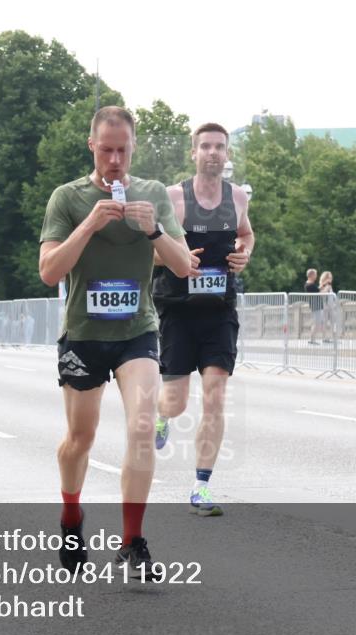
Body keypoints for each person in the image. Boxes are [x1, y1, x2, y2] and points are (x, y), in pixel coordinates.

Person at [38, 106, 190, 576]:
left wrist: (154, 230)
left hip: (135, 332)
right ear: (92, 147)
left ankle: (132, 541)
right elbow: (49, 272)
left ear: (133, 148)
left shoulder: (152, 196)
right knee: (80, 439)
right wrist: (90, 224)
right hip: (84, 334)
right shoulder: (67, 198)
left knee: (143, 427)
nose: (115, 160)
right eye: (107, 150)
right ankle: (70, 516)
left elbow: (184, 266)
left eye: (123, 150)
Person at [151, 122, 255, 517]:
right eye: (206, 147)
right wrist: (177, 259)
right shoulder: (174, 197)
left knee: (215, 397)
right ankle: (163, 416)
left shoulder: (238, 197)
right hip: (178, 310)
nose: (213, 153)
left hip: (219, 310)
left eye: (220, 147)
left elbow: (247, 234)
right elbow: (150, 251)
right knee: (176, 402)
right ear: (193, 153)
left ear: (227, 155)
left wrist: (245, 251)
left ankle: (201, 487)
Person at [304, 268, 320, 344]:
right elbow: (319, 292)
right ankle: (312, 339)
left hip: (315, 304)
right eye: (315, 275)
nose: (316, 276)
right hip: (316, 305)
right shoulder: (310, 285)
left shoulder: (309, 284)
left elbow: (317, 290)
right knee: (316, 322)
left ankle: (312, 339)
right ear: (311, 275)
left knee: (316, 322)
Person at [317, 270, 334, 343]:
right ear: (325, 278)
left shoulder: (329, 286)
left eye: (331, 278)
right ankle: (324, 338)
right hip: (324, 307)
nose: (331, 279)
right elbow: (321, 294)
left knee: (332, 322)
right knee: (325, 322)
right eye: (329, 278)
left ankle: (331, 337)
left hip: (331, 306)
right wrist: (326, 287)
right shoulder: (322, 286)